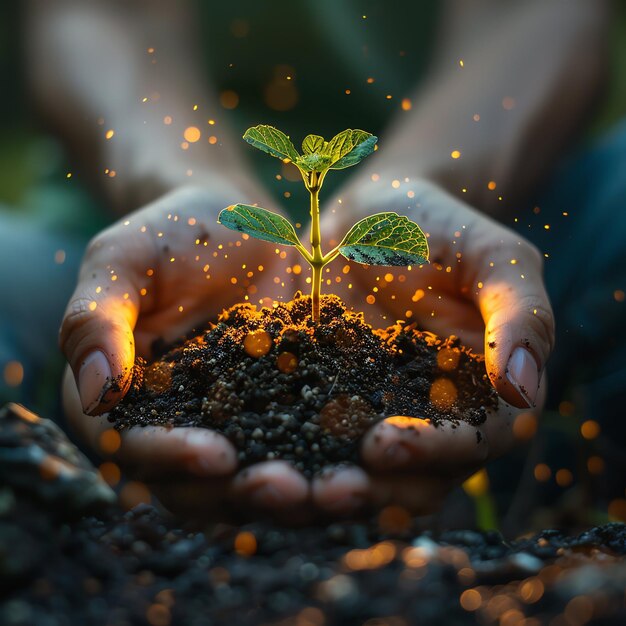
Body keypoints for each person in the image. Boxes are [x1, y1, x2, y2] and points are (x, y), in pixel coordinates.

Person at [7, 0, 622, 522]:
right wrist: (178, 183)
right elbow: (97, 14)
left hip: (486, 240)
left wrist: (422, 182)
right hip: (128, 243)